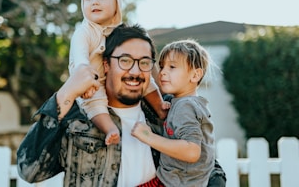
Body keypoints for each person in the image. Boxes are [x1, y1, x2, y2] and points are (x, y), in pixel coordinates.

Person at [16, 24, 226, 186]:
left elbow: (208, 165)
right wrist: (66, 92)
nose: (135, 72)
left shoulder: (164, 110)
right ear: (106, 65)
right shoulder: (77, 117)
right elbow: (30, 170)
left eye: (144, 62)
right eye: (125, 60)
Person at [68, 0, 169, 145]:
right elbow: (80, 60)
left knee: (145, 77)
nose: (95, 2)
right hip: (88, 82)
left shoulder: (120, 33)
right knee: (95, 103)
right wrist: (86, 82)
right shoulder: (84, 32)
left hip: (112, 79)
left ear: (117, 4)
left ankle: (160, 106)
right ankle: (110, 129)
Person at [132, 39, 216, 186]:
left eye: (172, 67)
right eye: (162, 66)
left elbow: (192, 151)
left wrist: (147, 136)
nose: (163, 72)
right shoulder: (187, 103)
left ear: (195, 75)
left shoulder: (185, 106)